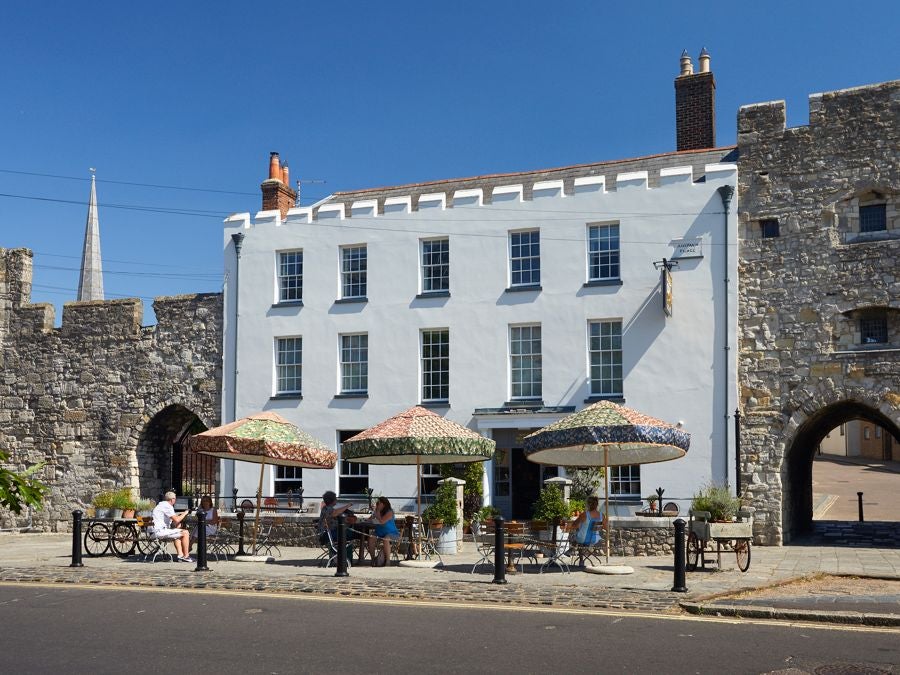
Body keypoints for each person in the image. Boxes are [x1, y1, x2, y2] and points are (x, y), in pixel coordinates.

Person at [151, 491, 194, 562]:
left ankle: (180, 555)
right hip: (159, 532)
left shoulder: (161, 505)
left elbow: (173, 520)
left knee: (178, 531)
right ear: (172, 499)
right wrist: (185, 513)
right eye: (175, 499)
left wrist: (178, 522)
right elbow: (176, 520)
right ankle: (186, 556)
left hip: (153, 531)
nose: (175, 500)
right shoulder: (168, 506)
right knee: (185, 532)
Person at [317, 491, 356, 558]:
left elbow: (336, 514)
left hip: (328, 534)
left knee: (349, 533)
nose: (337, 500)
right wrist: (347, 506)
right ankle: (345, 559)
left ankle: (338, 557)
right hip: (327, 535)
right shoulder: (328, 509)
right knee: (350, 534)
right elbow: (334, 513)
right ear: (332, 500)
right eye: (335, 498)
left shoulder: (326, 508)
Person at [367, 496, 400, 566]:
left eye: (378, 503)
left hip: (392, 534)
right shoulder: (376, 511)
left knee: (386, 538)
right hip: (379, 533)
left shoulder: (390, 512)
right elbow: (369, 520)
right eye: (377, 503)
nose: (377, 504)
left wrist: (378, 512)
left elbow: (382, 521)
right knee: (371, 537)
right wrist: (373, 516)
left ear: (384, 504)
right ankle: (373, 559)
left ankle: (388, 561)